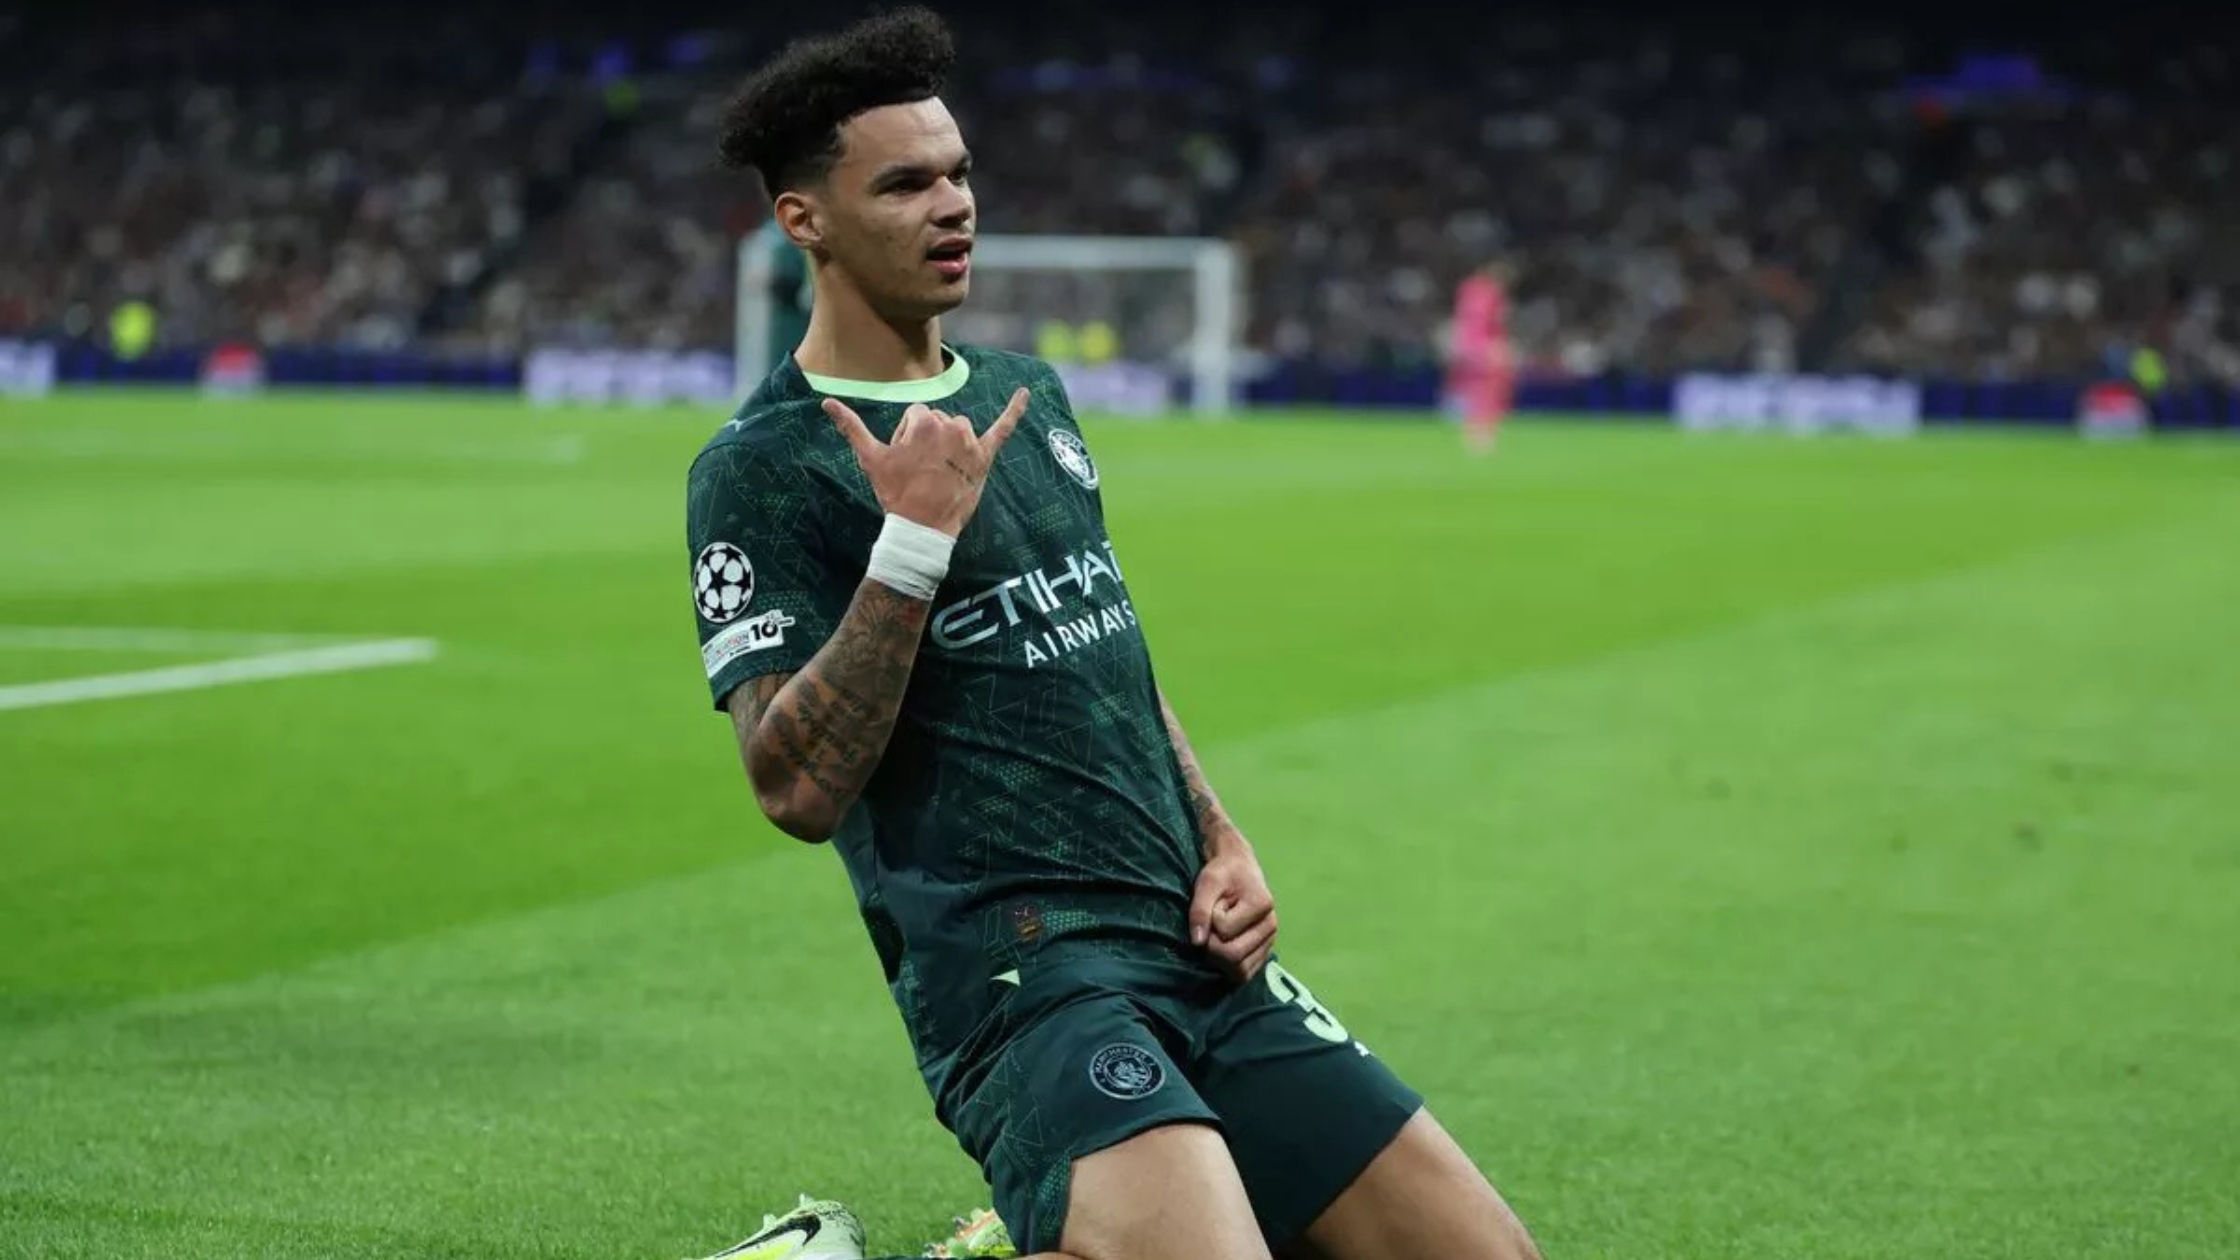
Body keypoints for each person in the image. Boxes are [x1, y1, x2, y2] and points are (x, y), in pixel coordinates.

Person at [680, 10, 1544, 1260]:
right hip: (1022, 973)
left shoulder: (1026, 395)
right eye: (906, 183)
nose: (951, 204)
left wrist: (1219, 831)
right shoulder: (762, 466)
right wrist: (911, 548)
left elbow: (1095, 650)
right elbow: (793, 786)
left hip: (1191, 946)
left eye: (960, 173)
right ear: (803, 220)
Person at [1446, 261, 1515, 455]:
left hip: (1466, 344)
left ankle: (1473, 432)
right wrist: (1499, 348)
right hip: (1484, 346)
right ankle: (1483, 434)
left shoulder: (1467, 289)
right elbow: (1495, 323)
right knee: (1491, 390)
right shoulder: (1492, 293)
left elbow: (1463, 319)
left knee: (1473, 389)